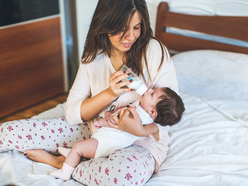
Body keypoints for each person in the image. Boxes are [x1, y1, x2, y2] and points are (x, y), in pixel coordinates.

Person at [0, 0, 179, 185]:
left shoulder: (154, 52)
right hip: (97, 130)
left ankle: (61, 163)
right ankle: (75, 158)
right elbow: (72, 114)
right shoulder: (94, 56)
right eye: (122, 29)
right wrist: (109, 93)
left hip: (141, 143)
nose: (130, 37)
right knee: (7, 132)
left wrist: (138, 130)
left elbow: (168, 116)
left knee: (120, 177)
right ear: (105, 23)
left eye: (136, 27)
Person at [49, 87, 185, 181]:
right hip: (107, 140)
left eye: (152, 94)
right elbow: (117, 117)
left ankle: (65, 172)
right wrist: (111, 114)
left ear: (153, 112)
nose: (149, 89)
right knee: (80, 148)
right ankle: (72, 155)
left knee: (78, 147)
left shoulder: (139, 116)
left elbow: (117, 123)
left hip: (105, 143)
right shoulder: (139, 110)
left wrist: (102, 122)